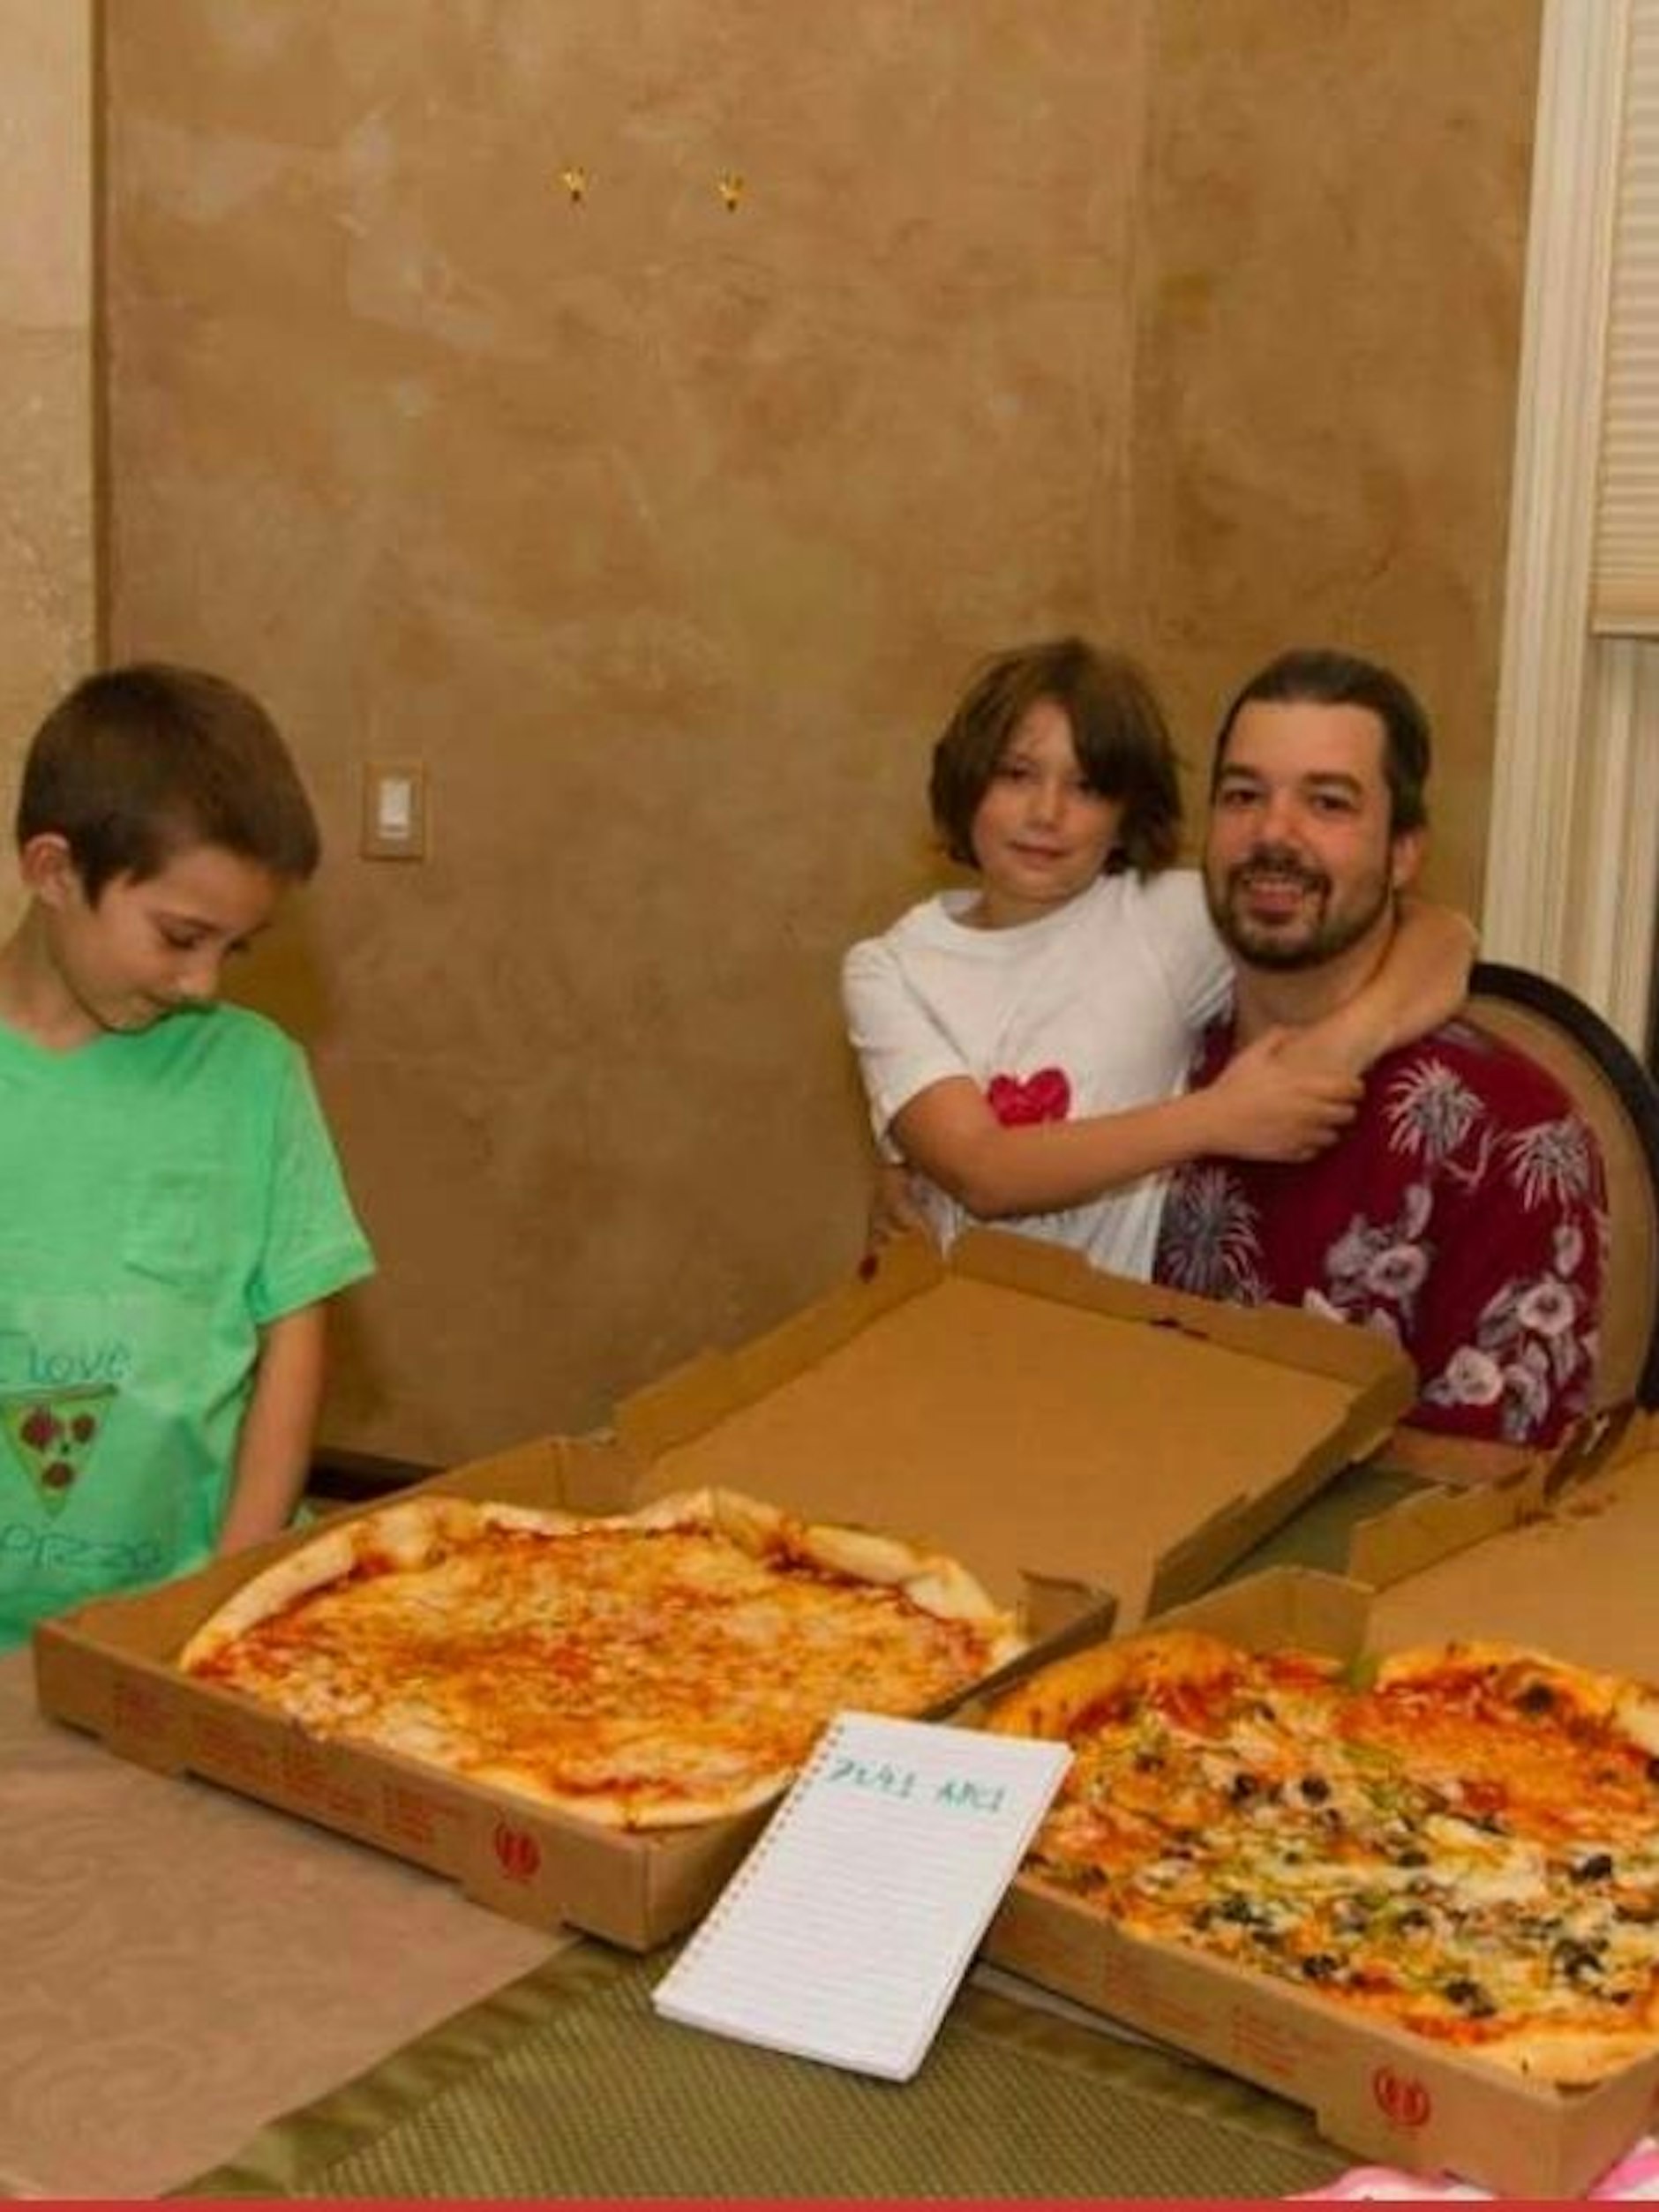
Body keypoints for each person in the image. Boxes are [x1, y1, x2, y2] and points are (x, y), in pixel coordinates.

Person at [843, 637, 1474, 1280]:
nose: (1046, 813)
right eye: (1016, 774)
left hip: (1121, 1347)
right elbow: (983, 1172)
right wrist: (1218, 1118)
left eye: (1087, 787)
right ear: (967, 781)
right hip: (954, 1331)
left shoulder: (1165, 917)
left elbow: (1442, 935)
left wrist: (1343, 1043)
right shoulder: (893, 967)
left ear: (1125, 814)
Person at [0, 663, 374, 1647]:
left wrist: (231, 1586)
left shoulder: (254, 1075)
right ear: (53, 870)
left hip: (179, 1618)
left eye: (234, 948)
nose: (204, 983)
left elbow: (294, 1329)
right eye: (179, 936)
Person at [1153, 648, 1605, 1446]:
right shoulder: (1148, 1056)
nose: (1271, 833)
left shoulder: (1514, 1138)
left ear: (1403, 853)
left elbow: (1480, 1502)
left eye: (1328, 803)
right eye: (1242, 795)